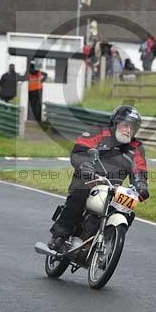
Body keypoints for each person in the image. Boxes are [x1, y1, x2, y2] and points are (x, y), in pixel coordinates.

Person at [47, 105, 149, 251]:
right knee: (79, 195)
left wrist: (141, 185)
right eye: (125, 125)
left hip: (113, 189)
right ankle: (59, 236)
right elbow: (80, 151)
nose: (128, 130)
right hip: (88, 179)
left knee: (128, 210)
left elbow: (139, 169)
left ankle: (109, 242)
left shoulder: (136, 147)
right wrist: (86, 166)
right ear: (115, 123)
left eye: (132, 127)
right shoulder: (98, 132)